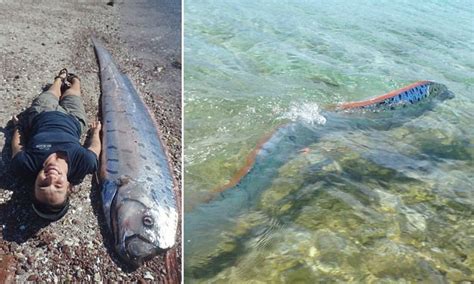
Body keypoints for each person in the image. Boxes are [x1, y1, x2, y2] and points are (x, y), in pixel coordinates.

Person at [10, 69, 101, 221]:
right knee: (74, 90)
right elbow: (94, 148)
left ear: (34, 185)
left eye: (43, 184)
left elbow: (17, 146)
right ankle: (74, 79)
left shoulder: (24, 165)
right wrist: (95, 132)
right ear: (69, 187)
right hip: (73, 119)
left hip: (41, 113)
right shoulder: (85, 164)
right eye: (58, 186)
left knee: (52, 91)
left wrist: (18, 127)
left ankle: (59, 79)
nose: (51, 178)